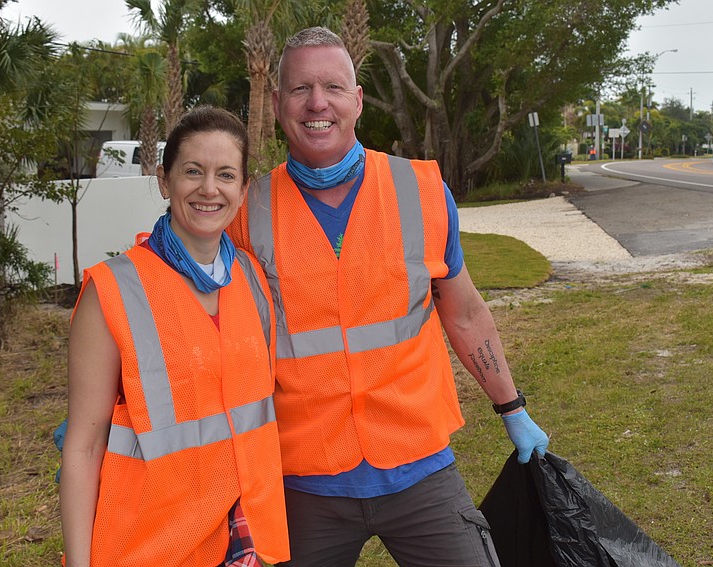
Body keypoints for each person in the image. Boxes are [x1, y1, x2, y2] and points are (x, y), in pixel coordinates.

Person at [227, 27, 550, 567]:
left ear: (357, 100)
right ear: (278, 103)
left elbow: (464, 311)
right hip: (305, 479)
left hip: (419, 466)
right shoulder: (244, 210)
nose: (317, 103)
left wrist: (512, 407)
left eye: (333, 86)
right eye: (301, 89)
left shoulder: (422, 191)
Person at [60, 106, 289, 567]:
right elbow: (83, 447)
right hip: (151, 545)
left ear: (243, 191)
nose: (209, 189)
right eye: (192, 171)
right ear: (165, 182)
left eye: (226, 175)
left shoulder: (251, 279)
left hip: (246, 538)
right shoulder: (112, 291)